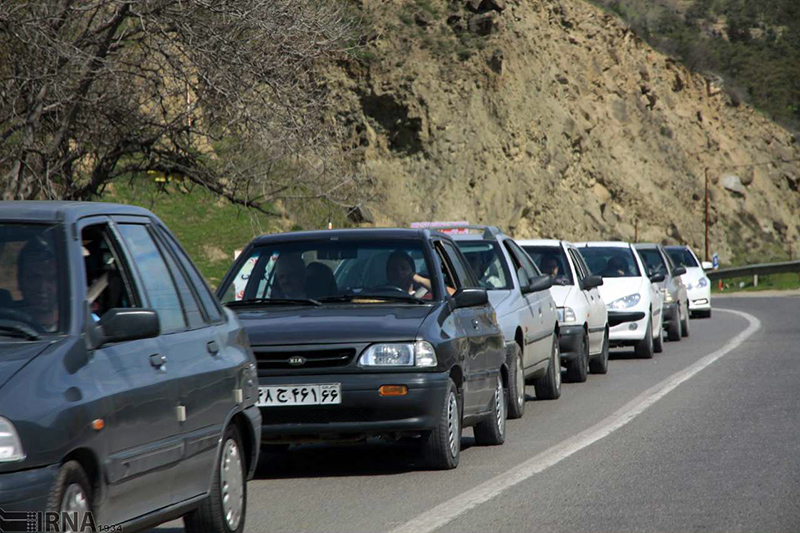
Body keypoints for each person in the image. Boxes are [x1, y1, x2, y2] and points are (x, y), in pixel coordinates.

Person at [17, 237, 59, 332]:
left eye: (52, 279)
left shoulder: (80, 326)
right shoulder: (6, 327)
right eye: (34, 278)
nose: (42, 287)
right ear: (20, 281)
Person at [386, 250, 455, 297]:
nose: (399, 272)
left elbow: (453, 294)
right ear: (388, 273)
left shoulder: (426, 291)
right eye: (393, 269)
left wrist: (420, 280)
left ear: (412, 271)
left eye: (404, 268)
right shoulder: (382, 294)